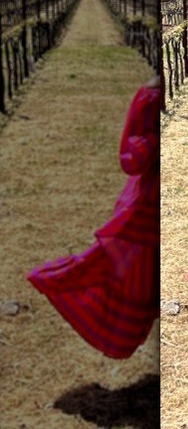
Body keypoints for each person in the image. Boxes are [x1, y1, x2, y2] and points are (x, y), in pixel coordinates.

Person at [28, 76, 161, 359]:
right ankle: (60, 282)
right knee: (125, 269)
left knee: (140, 274)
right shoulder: (149, 97)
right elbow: (131, 160)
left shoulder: (151, 94)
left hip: (147, 202)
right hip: (144, 204)